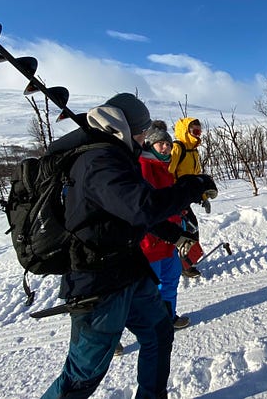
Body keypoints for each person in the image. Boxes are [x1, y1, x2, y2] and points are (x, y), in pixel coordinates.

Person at [41, 93, 216, 399]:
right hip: (97, 281)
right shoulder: (99, 162)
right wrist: (193, 185)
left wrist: (174, 236)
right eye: (141, 131)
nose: (142, 138)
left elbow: (131, 213)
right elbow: (141, 207)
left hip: (128, 270)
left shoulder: (115, 156)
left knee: (160, 334)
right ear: (122, 125)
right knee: (85, 373)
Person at [138, 120, 191, 330]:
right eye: (162, 144)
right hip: (149, 241)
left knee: (170, 280)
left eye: (168, 144)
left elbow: (167, 199)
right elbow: (146, 206)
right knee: (146, 289)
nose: (166, 147)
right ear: (150, 144)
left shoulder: (164, 168)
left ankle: (168, 318)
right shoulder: (143, 166)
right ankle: (137, 328)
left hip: (170, 239)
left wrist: (180, 210)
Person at [169, 117, 210, 278]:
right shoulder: (177, 148)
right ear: (186, 131)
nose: (198, 134)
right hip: (177, 198)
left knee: (191, 228)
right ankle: (184, 266)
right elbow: (169, 172)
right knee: (188, 230)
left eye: (199, 131)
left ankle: (185, 262)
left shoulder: (194, 150)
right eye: (195, 131)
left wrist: (203, 196)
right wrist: (172, 196)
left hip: (187, 197)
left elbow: (196, 176)